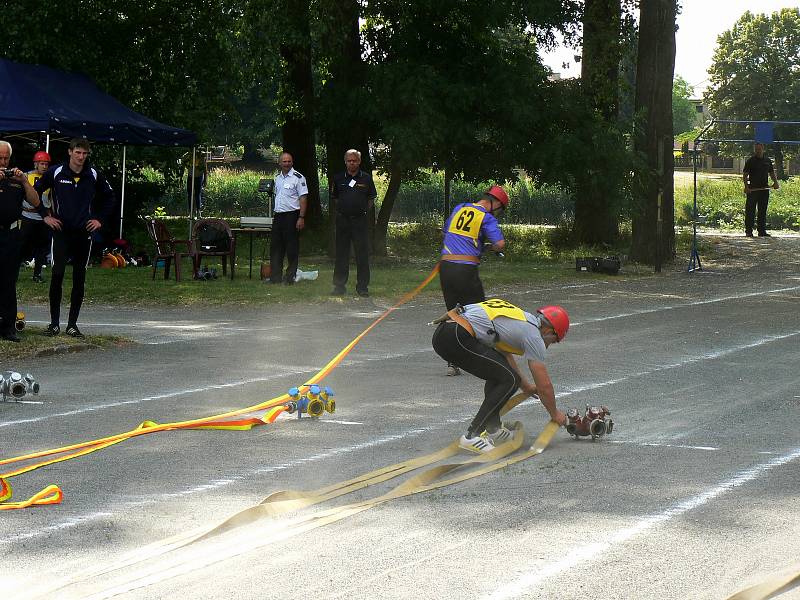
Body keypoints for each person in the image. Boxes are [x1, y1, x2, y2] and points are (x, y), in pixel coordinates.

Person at [432, 298, 569, 453]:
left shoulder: (521, 320)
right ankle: (472, 435)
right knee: (509, 380)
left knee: (502, 376)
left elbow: (504, 357)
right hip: (456, 335)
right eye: (554, 340)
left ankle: (493, 429)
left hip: (445, 333)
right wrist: (555, 414)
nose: (549, 345)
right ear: (548, 330)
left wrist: (526, 387)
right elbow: (544, 386)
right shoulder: (534, 336)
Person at [36, 138, 116, 338]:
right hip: (61, 230)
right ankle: (54, 323)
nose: (81, 157)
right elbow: (34, 192)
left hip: (83, 232)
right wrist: (45, 215)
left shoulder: (93, 174)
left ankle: (72, 324)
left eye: (85, 154)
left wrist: (99, 219)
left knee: (79, 277)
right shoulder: (55, 172)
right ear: (70, 152)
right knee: (57, 274)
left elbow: (110, 197)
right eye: (78, 152)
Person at [439, 185, 508, 376]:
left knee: (453, 313)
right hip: (466, 270)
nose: (499, 213)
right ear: (496, 204)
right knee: (479, 313)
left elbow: (447, 232)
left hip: (445, 267)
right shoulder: (487, 217)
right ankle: (485, 359)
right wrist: (489, 248)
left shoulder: (459, 208)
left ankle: (452, 362)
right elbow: (500, 244)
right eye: (500, 210)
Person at [0, 140, 43, 342]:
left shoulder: (15, 179)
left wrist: (25, 181)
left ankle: (8, 326)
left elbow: (35, 202)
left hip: (10, 234)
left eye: (6, 158)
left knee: (8, 280)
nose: (3, 162)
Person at [330, 149, 377, 297]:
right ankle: (339, 286)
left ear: (359, 161)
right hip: (343, 220)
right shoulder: (338, 178)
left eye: (355, 160)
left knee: (362, 254)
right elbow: (336, 198)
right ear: (345, 162)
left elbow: (371, 200)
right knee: (341, 253)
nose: (352, 163)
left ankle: (362, 287)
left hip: (359, 221)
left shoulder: (366, 179)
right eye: (349, 160)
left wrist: (360, 211)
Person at [268, 151, 308, 285]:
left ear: (292, 162)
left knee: (291, 248)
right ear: (279, 163)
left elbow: (303, 198)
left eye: (289, 161)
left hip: (292, 216)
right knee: (276, 247)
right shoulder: (277, 178)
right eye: (284, 161)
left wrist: (301, 217)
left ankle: (290, 277)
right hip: (278, 216)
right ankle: (275, 277)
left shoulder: (298, 178)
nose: (286, 164)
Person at [18, 151, 52, 283]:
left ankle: (37, 274)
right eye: (42, 164)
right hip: (27, 214)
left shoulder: (50, 178)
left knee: (42, 247)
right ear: (36, 164)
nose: (44, 167)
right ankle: (14, 272)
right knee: (21, 245)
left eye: (46, 164)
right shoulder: (25, 176)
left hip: (42, 218)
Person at [742, 142, 779, 237]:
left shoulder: (767, 161)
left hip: (764, 189)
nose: (758, 151)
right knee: (750, 211)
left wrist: (775, 182)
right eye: (756, 149)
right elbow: (745, 175)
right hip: (752, 190)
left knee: (762, 210)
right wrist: (746, 187)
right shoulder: (750, 161)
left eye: (759, 149)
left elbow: (771, 173)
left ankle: (761, 231)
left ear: (763, 149)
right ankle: (749, 231)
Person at [184, 150, 207, 216]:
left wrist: (205, 180)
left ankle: (198, 211)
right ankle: (191, 212)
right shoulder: (188, 155)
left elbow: (205, 169)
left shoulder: (202, 156)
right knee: (190, 195)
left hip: (198, 177)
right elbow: (183, 161)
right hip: (190, 176)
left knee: (198, 194)